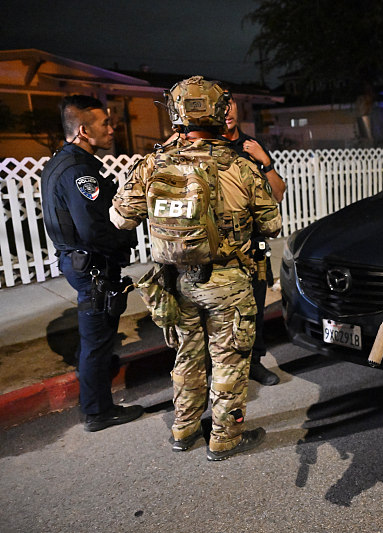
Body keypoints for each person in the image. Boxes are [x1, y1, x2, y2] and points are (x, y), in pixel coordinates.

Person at [109, 76, 282, 461]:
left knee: (186, 356)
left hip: (175, 282)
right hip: (229, 284)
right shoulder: (240, 166)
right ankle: (224, 436)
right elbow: (273, 226)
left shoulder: (152, 164)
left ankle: (184, 428)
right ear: (220, 113)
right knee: (229, 360)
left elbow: (120, 218)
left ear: (175, 114)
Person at [41, 94, 143, 432]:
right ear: (84, 130)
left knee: (96, 339)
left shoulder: (61, 162)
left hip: (78, 261)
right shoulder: (79, 171)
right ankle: (98, 411)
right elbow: (93, 229)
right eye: (105, 124)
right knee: (97, 341)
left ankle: (97, 398)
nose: (112, 130)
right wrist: (127, 235)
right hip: (93, 265)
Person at [222, 95, 286, 386]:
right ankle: (228, 368)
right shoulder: (208, 148)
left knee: (256, 309)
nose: (226, 112)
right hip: (223, 250)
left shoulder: (251, 147)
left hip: (254, 247)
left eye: (230, 105)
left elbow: (278, 193)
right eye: (220, 106)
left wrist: (266, 162)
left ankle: (254, 363)